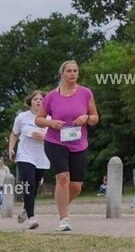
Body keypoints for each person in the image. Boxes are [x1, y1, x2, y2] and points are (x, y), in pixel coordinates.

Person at [36, 60, 99, 232]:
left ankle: (61, 206)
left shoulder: (86, 93)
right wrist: (51, 123)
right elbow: (39, 119)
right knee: (63, 177)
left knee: (76, 187)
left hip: (79, 143)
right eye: (69, 71)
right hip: (55, 142)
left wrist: (86, 118)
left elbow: (95, 117)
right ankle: (64, 218)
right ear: (62, 74)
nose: (72, 74)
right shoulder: (51, 96)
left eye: (75, 71)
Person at [9, 89, 50, 229]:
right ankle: (32, 218)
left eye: (41, 99)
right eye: (35, 99)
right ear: (30, 102)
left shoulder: (49, 118)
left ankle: (26, 208)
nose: (39, 101)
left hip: (42, 156)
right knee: (29, 184)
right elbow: (14, 134)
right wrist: (11, 148)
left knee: (36, 185)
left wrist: (45, 136)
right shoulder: (22, 117)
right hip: (25, 155)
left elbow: (56, 136)